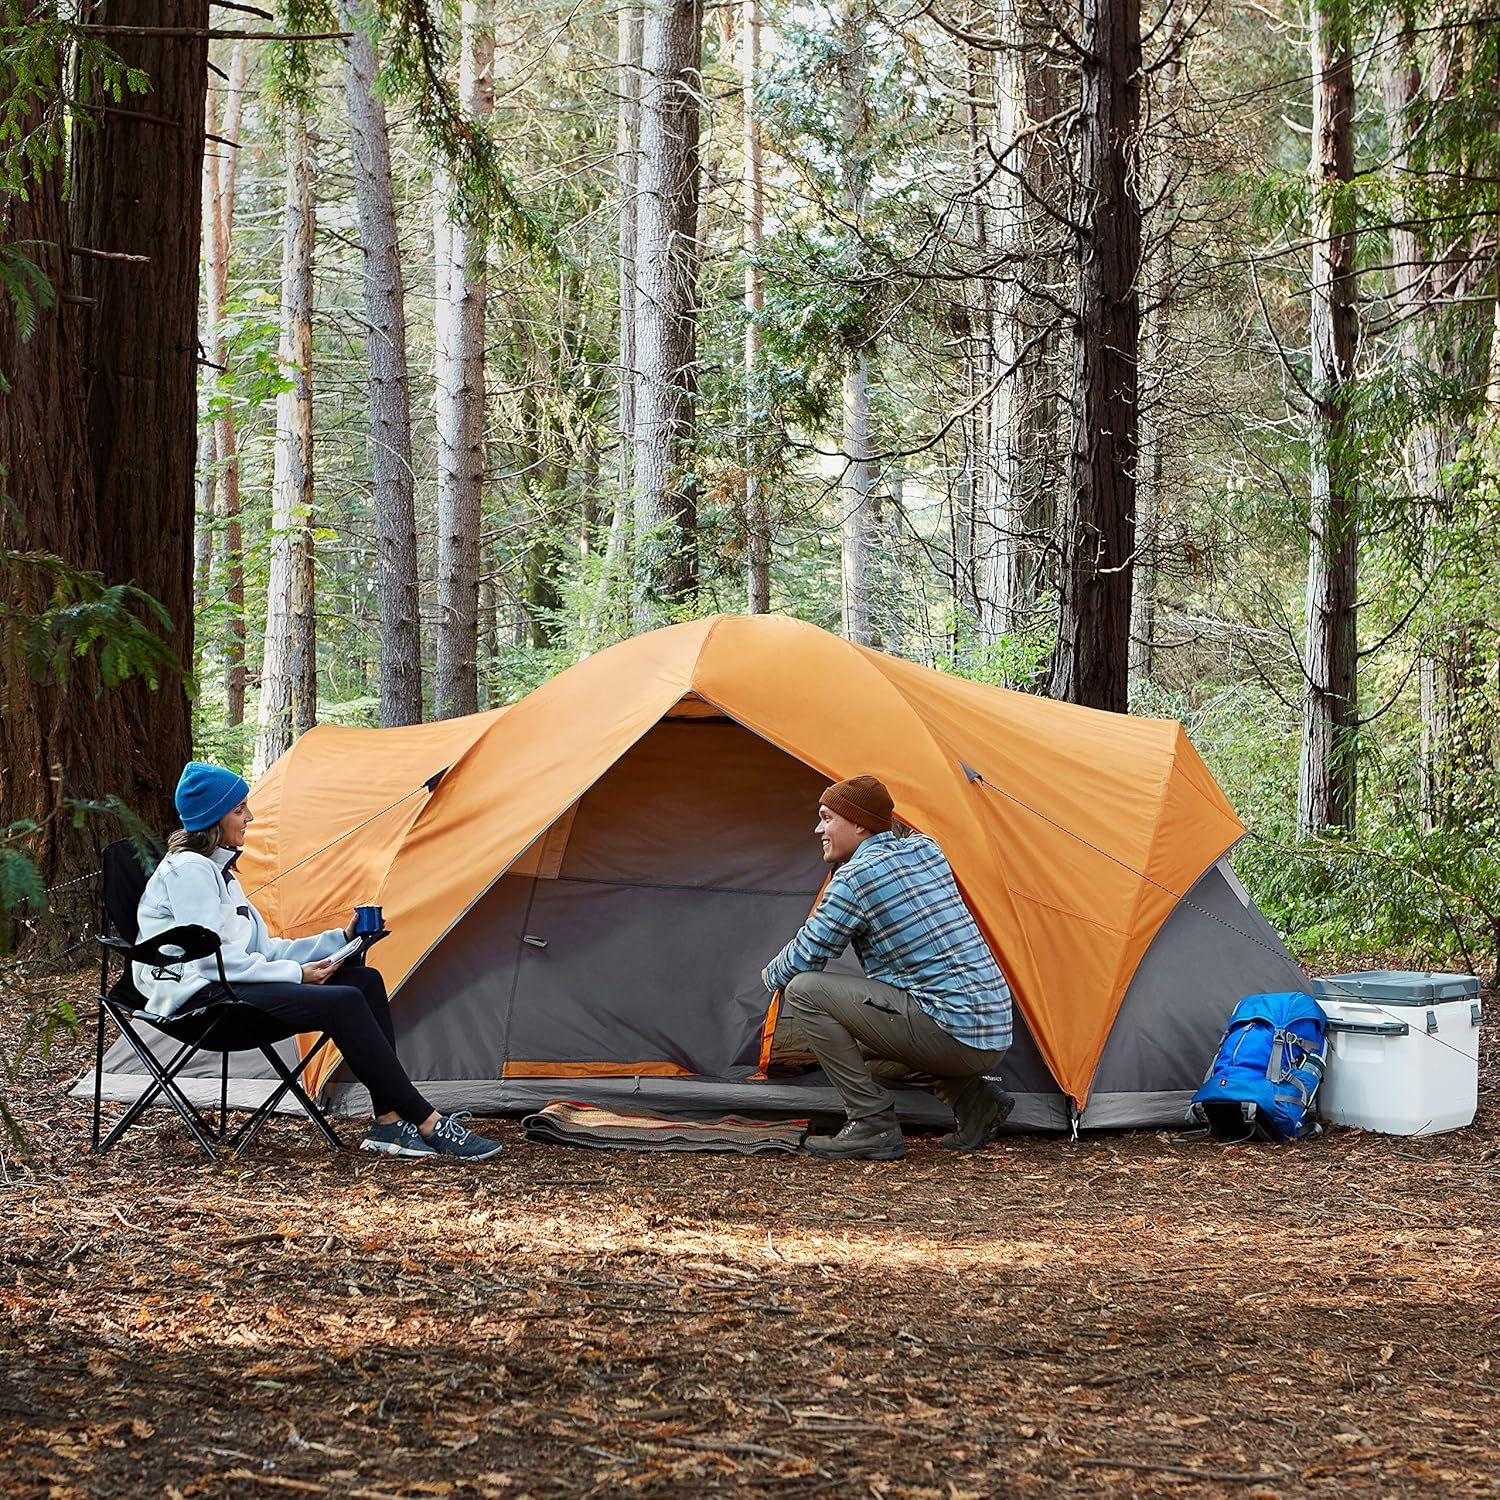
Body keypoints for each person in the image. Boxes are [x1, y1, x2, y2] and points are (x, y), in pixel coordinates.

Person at [135, 761, 503, 1162]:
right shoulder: (190, 873)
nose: (250, 817)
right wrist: (299, 975)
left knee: (363, 979)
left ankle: (389, 1122)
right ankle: (427, 1120)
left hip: (230, 989)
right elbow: (210, 962)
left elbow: (263, 950)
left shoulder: (221, 873)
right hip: (201, 1004)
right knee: (342, 1002)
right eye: (240, 810)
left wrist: (339, 941)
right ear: (212, 819)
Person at [761, 775, 1014, 1161]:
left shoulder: (857, 877)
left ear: (859, 824)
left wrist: (763, 979)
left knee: (805, 991)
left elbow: (804, 959)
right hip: (993, 1028)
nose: (819, 828)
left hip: (952, 1031)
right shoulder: (927, 849)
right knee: (853, 1047)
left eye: (827, 818)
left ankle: (870, 1124)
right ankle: (975, 1101)